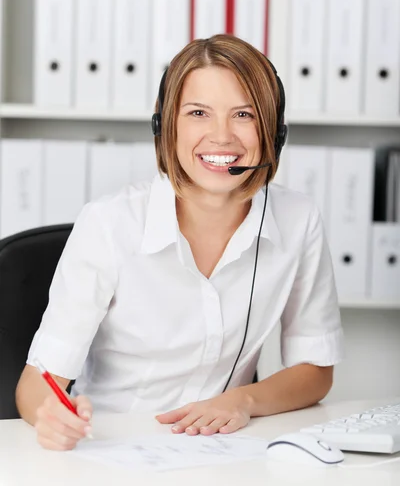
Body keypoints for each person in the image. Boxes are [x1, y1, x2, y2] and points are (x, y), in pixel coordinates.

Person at [16, 34, 344, 451]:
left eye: (243, 114)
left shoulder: (298, 221)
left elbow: (316, 370)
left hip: (227, 449)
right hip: (110, 447)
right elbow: (36, 383)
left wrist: (242, 400)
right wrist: (54, 418)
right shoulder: (109, 224)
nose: (221, 136)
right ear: (165, 124)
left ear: (273, 132)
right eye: (198, 113)